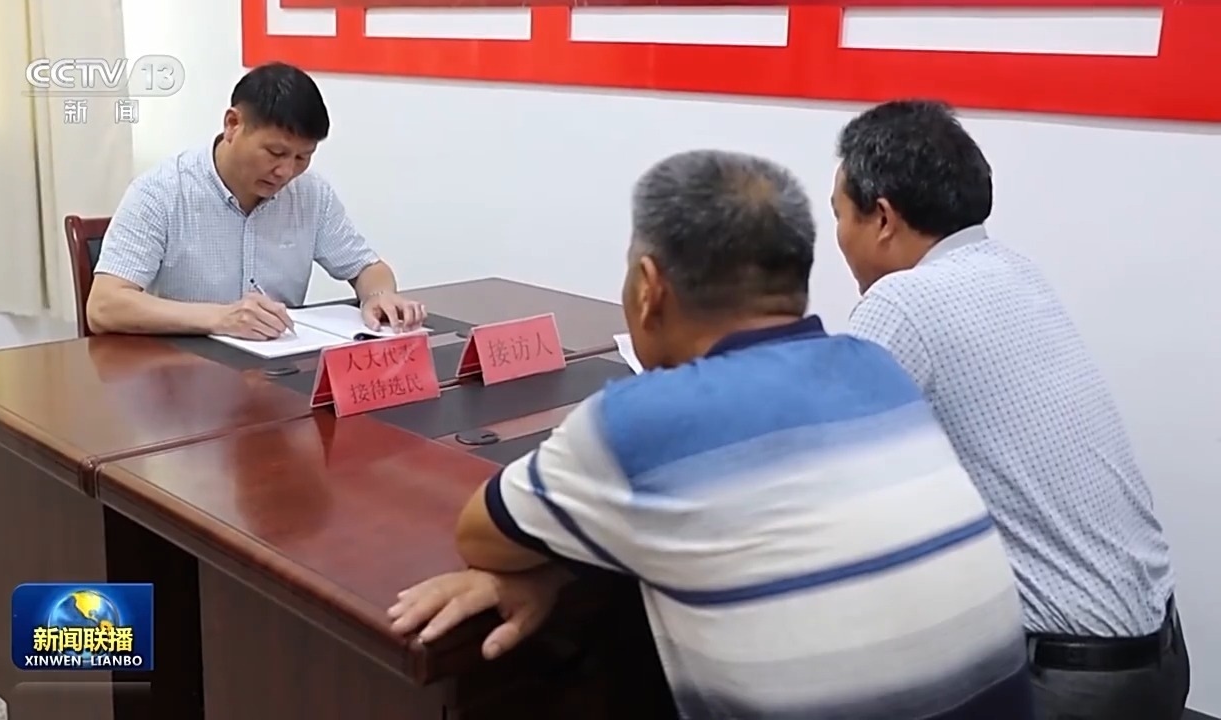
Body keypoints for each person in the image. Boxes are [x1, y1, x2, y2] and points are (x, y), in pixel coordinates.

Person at [389, 149, 1037, 719]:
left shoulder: (638, 421)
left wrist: (556, 562)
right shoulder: (878, 372)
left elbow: (480, 535)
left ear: (650, 288)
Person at [832, 99, 1189, 719]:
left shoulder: (905, 301)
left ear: (883, 218)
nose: (838, 236)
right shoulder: (1013, 272)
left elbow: (808, 461)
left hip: (1064, 686)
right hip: (1159, 659)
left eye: (839, 214)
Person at [87, 62, 425, 338]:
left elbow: (368, 268)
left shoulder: (310, 193)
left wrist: (378, 297)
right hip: (184, 374)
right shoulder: (160, 192)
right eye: (275, 152)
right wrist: (220, 318)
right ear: (233, 124)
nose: (286, 172)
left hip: (279, 373)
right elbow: (104, 306)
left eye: (302, 157)